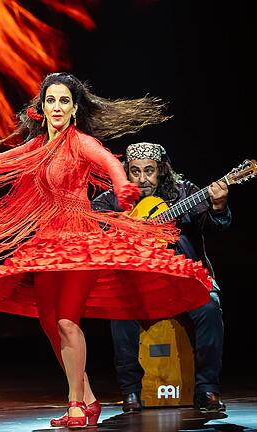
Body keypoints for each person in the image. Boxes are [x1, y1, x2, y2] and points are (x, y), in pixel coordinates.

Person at [0, 72, 213, 428]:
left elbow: (111, 162)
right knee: (51, 324)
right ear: (42, 108)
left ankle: (75, 403)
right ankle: (90, 400)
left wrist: (123, 185)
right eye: (52, 100)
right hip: (48, 244)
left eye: (65, 100)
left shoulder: (80, 142)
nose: (58, 106)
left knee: (66, 320)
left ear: (75, 107)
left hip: (80, 244)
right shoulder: (36, 148)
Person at [91, 142, 229, 413]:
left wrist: (218, 207)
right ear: (126, 173)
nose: (142, 180)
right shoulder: (110, 200)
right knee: (120, 312)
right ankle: (131, 391)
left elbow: (215, 226)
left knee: (211, 308)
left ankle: (207, 389)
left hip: (183, 278)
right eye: (135, 172)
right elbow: (92, 227)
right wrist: (126, 228)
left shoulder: (184, 193)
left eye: (149, 171)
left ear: (161, 171)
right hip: (138, 282)